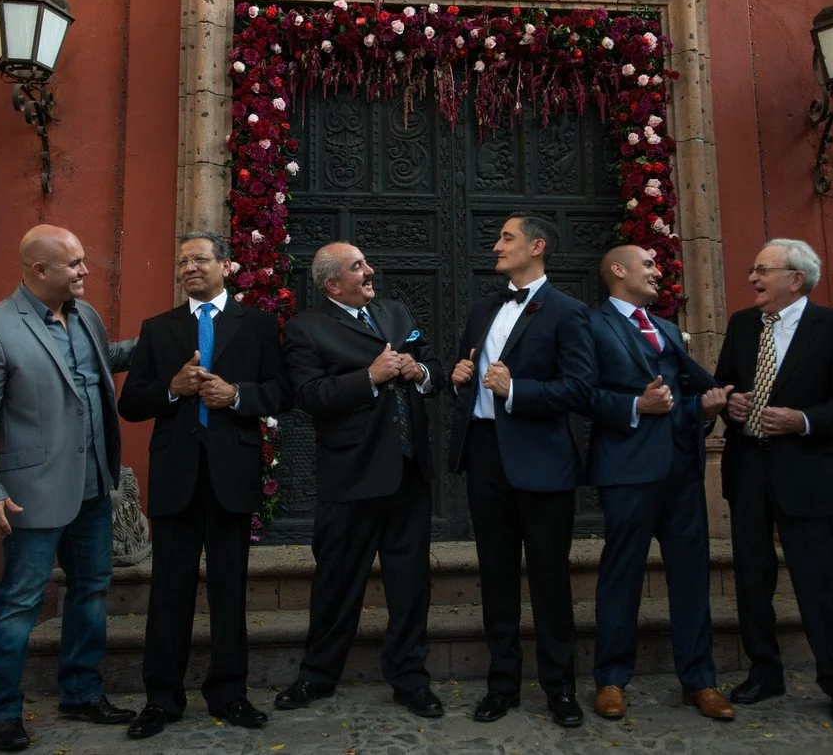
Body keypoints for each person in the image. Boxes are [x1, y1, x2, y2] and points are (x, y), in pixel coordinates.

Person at [0, 225, 137, 752]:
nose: (84, 271)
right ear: (40, 270)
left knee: (91, 591)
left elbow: (108, 360)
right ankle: (3, 713)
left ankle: (80, 691)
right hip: (30, 493)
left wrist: (173, 334)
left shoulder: (87, 317)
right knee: (19, 602)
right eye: (75, 263)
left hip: (95, 485)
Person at [118, 231, 292, 739]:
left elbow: (282, 392)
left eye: (199, 259)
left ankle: (229, 694)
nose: (189, 268)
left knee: (228, 590)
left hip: (231, 476)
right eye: (182, 262)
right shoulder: (159, 328)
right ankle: (162, 699)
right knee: (168, 592)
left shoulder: (257, 325)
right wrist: (172, 390)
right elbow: (132, 404)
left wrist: (236, 396)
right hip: (176, 477)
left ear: (226, 265)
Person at [274, 242, 447, 719]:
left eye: (366, 262)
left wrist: (421, 371)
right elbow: (308, 395)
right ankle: (317, 675)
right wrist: (368, 377)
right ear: (332, 284)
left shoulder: (394, 311)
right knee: (337, 582)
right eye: (358, 267)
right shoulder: (306, 328)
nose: (370, 270)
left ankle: (411, 679)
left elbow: (429, 359)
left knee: (410, 584)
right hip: (351, 475)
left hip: (408, 474)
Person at [447, 212, 595, 728]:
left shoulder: (568, 312)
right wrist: (459, 376)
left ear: (537, 246)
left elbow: (581, 389)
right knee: (496, 575)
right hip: (485, 455)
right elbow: (469, 370)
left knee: (550, 579)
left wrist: (521, 391)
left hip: (543, 461)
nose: (496, 245)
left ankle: (560, 688)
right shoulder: (485, 307)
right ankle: (501, 684)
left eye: (506, 238)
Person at [714, 238, 833, 723]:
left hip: (805, 469)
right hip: (748, 468)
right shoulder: (742, 325)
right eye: (752, 270)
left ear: (795, 279)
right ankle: (765, 671)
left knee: (820, 580)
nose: (752, 279)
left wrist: (803, 420)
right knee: (751, 579)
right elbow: (726, 383)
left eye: (762, 270)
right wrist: (730, 403)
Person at [585, 244, 735, 722]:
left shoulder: (669, 330)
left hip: (681, 472)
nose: (657, 271)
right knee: (621, 578)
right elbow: (581, 393)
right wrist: (634, 407)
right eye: (647, 264)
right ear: (617, 270)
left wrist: (705, 411)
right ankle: (610, 679)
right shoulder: (591, 325)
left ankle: (700, 681)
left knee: (691, 578)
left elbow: (681, 401)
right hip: (627, 472)